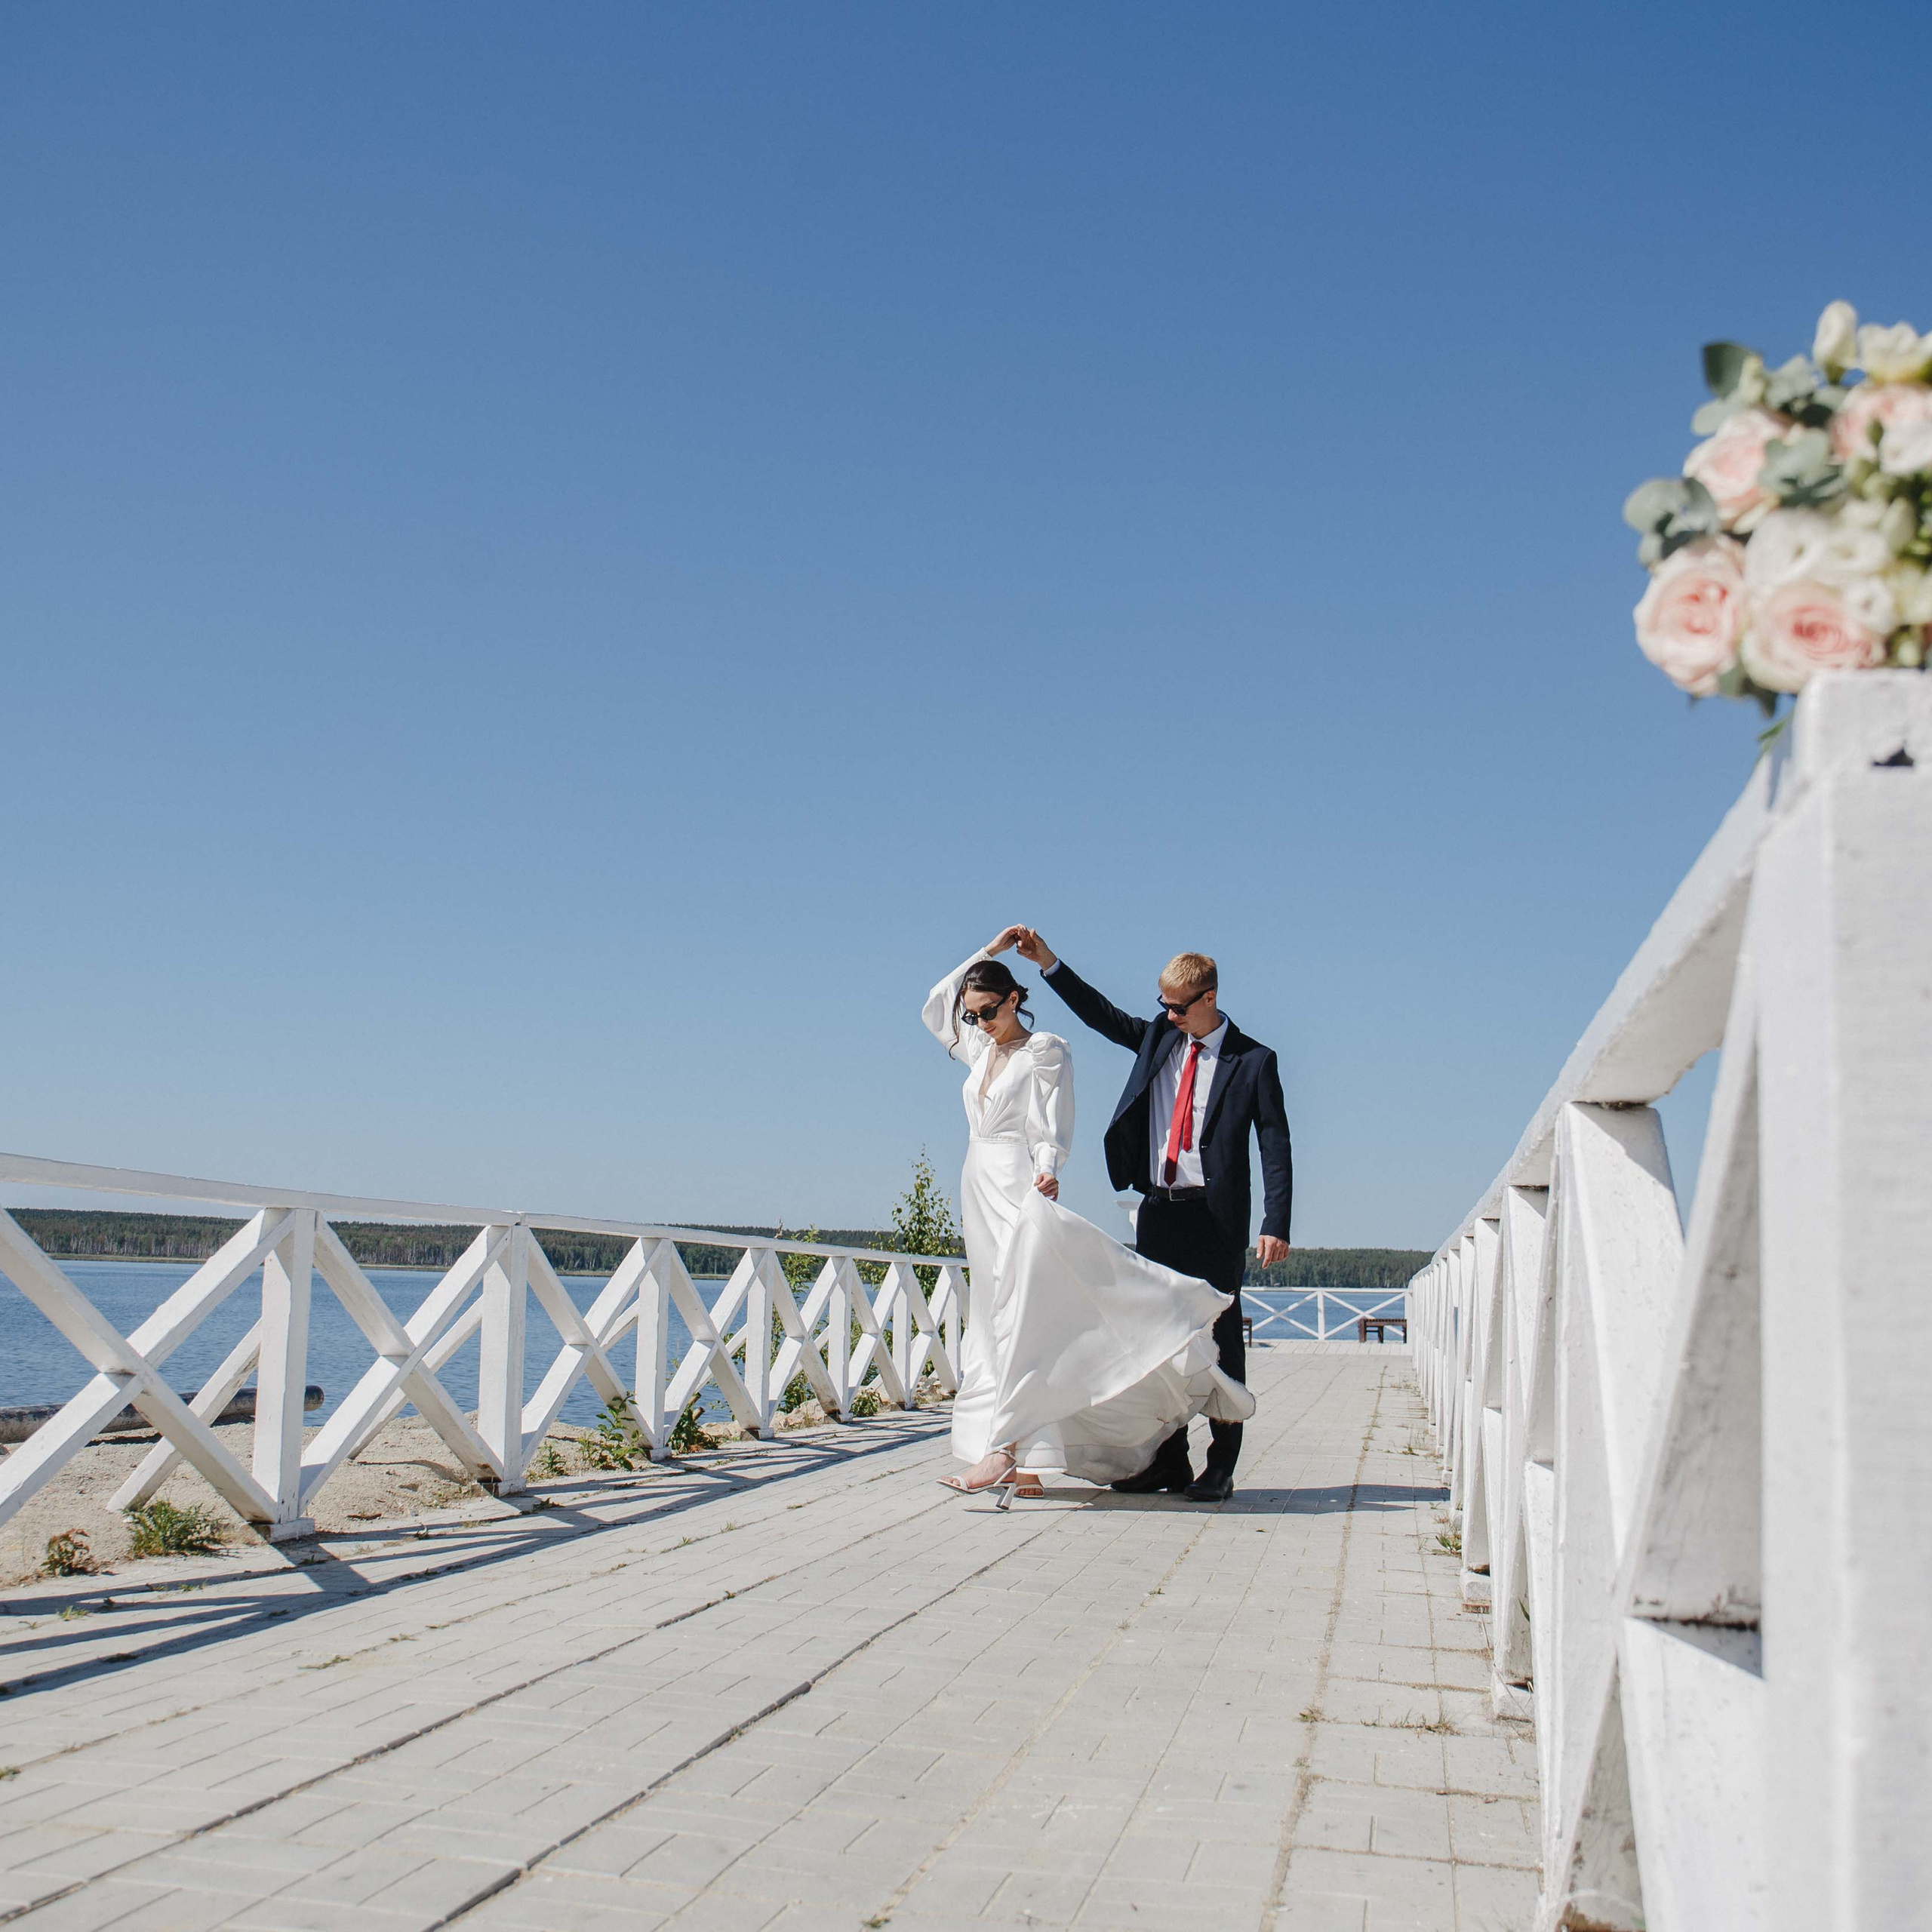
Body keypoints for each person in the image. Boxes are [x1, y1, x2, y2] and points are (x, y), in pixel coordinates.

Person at [923, 928, 1254, 1502]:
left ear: (1014, 1000)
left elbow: (1052, 1121)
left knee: (1027, 1314)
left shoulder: (1045, 1051)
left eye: (989, 1011)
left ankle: (1015, 1451)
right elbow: (936, 1006)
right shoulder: (978, 1047)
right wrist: (989, 952)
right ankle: (1034, 1457)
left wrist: (1048, 1167)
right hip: (980, 1189)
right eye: (972, 1014)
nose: (978, 1022)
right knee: (995, 1317)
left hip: (1028, 1186)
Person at [1014, 931, 1291, 1503]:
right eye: (1164, 1005)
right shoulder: (1161, 1039)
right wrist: (1049, 963)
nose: (1169, 1015)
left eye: (1179, 1007)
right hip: (1159, 1212)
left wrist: (1276, 1222)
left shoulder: (1254, 1061)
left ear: (1209, 998)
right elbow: (1101, 1015)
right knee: (1155, 1339)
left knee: (1220, 1339)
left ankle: (1221, 1466)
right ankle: (1168, 1462)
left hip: (1216, 1220)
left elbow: (1275, 1144)